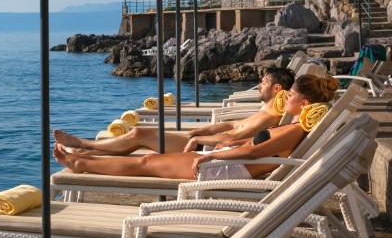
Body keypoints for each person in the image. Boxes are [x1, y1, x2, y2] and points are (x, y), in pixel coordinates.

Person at [53, 74, 339, 180]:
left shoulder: (294, 130)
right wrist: (219, 144)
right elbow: (249, 147)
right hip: (225, 162)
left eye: (290, 95)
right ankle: (85, 158)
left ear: (304, 104)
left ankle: (82, 164)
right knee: (147, 159)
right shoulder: (295, 126)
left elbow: (252, 153)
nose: (285, 98)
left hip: (225, 170)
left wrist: (212, 153)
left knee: (146, 162)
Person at [53, 66, 296, 156]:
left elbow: (235, 138)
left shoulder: (271, 115)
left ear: (276, 88)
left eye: (264, 82)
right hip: (205, 141)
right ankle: (86, 148)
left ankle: (85, 145)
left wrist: (200, 137)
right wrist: (204, 128)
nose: (259, 84)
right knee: (139, 135)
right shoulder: (266, 109)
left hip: (209, 149)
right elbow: (232, 126)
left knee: (139, 135)